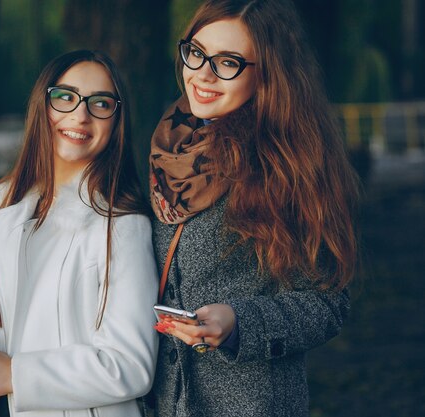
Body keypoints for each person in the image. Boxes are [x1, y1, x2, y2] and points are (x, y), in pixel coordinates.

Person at [148, 0, 359, 416]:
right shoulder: (167, 145)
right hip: (159, 401)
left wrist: (238, 322)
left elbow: (328, 303)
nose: (203, 74)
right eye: (196, 52)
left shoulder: (290, 164)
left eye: (228, 62)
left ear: (269, 73)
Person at [0, 50, 159, 417]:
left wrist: (14, 375)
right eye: (65, 97)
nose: (80, 114)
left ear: (117, 121)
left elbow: (131, 366)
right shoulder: (2, 202)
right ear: (43, 104)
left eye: (100, 103)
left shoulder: (122, 224)